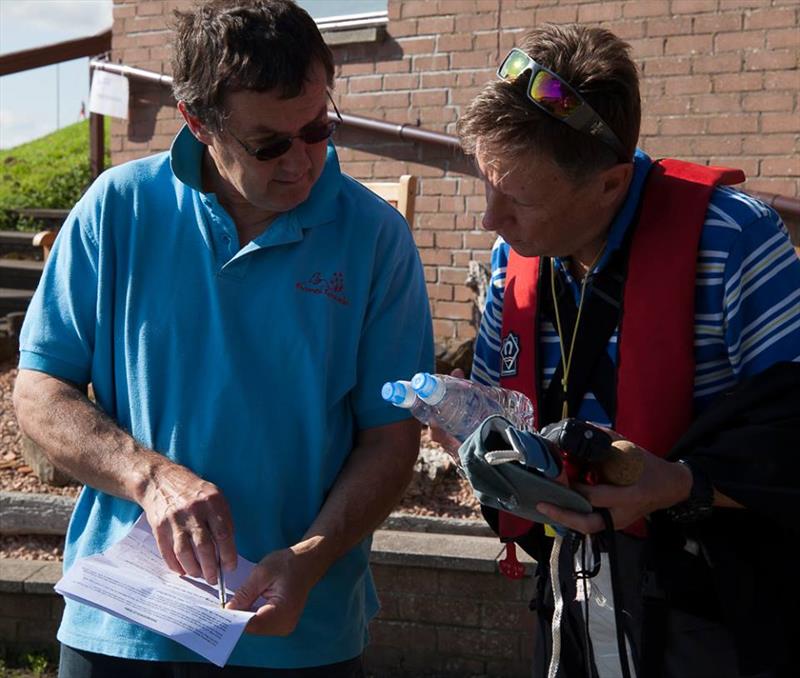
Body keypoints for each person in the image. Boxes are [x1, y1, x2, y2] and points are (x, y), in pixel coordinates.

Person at [13, 1, 433, 675]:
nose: (302, 162)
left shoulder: (375, 237)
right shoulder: (118, 208)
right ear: (197, 122)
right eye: (269, 143)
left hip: (299, 629)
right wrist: (149, 479)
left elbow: (390, 437)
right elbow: (38, 390)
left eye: (319, 128)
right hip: (122, 625)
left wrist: (310, 558)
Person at [454, 22, 800, 678]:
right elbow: (498, 407)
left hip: (715, 609)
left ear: (610, 184)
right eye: (485, 183)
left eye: (517, 198)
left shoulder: (734, 241)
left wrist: (677, 484)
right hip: (572, 602)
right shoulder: (512, 261)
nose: (490, 219)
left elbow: (791, 433)